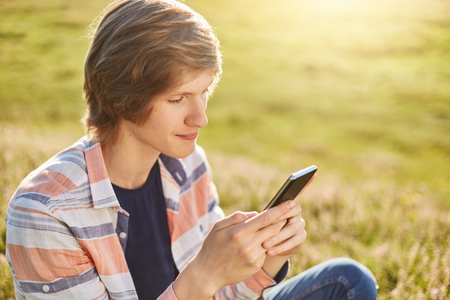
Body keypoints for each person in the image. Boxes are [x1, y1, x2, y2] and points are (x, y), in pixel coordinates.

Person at [5, 0, 378, 299]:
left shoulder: (188, 165)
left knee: (348, 280)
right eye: (178, 98)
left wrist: (268, 259)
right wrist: (202, 276)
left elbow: (225, 293)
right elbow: (204, 284)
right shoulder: (45, 212)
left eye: (203, 93)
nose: (200, 118)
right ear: (121, 97)